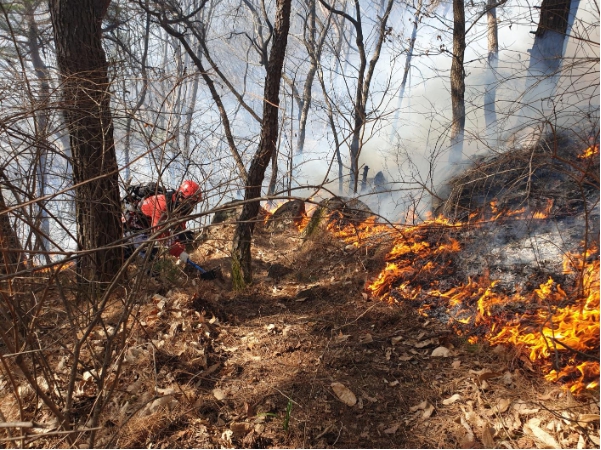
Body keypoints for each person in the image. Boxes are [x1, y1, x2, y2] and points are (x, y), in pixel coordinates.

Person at [126, 180, 218, 279]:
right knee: (150, 256)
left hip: (147, 226)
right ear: (181, 196)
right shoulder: (162, 203)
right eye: (191, 202)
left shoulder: (179, 207)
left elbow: (179, 228)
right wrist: (178, 252)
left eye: (194, 203)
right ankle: (153, 283)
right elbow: (159, 234)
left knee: (182, 237)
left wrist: (181, 246)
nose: (192, 205)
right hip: (134, 225)